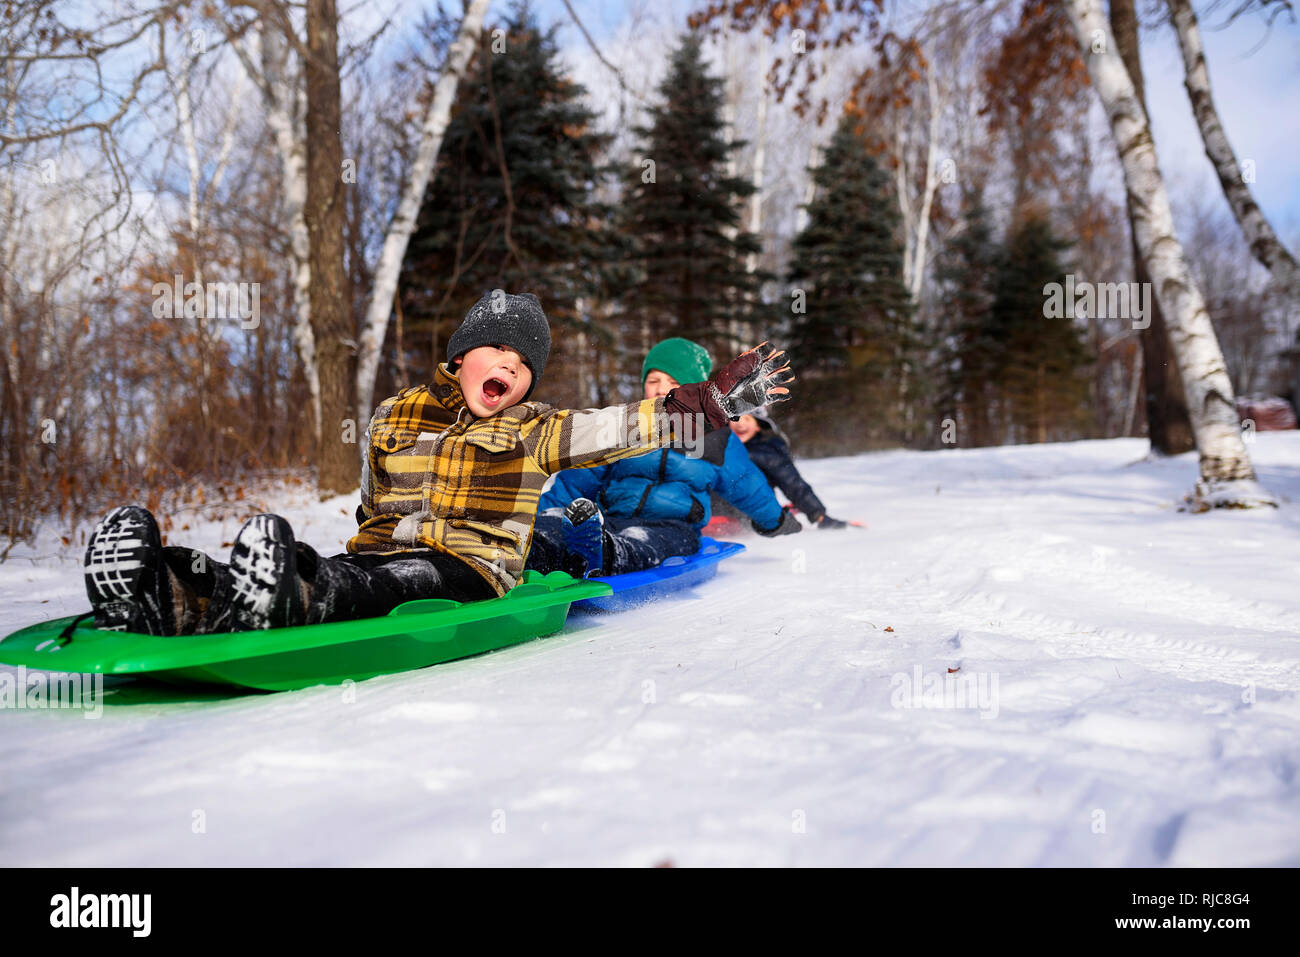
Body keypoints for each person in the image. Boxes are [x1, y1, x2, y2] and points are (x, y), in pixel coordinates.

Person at [81, 293, 795, 635]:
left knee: (398, 576)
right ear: (459, 357)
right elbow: (370, 500)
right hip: (386, 546)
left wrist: (702, 401)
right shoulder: (395, 413)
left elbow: (613, 429)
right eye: (500, 354)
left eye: (525, 367)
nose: (512, 370)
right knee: (354, 562)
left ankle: (290, 598)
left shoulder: (536, 428)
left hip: (472, 564)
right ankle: (175, 587)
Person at [527, 337, 802, 580]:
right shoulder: (628, 425)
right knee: (550, 527)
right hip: (611, 518)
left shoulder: (716, 438)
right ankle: (529, 554)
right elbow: (578, 480)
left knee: (644, 543)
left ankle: (604, 554)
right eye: (653, 381)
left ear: (696, 388)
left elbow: (747, 485)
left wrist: (775, 520)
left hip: (673, 527)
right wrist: (544, 516)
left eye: (673, 382)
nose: (661, 389)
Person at [726, 409, 848, 529]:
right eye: (735, 418)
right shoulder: (717, 446)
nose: (740, 424)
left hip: (750, 513)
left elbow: (792, 483)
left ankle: (770, 515)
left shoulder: (767, 452)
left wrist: (818, 515)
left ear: (758, 425)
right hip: (715, 508)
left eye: (747, 418)